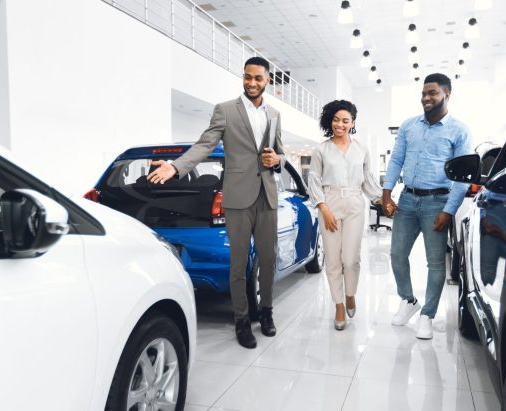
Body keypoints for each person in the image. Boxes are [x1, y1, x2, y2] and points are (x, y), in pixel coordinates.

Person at [147, 57, 285, 349]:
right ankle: (242, 321)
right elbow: (204, 144)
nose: (251, 83)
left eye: (258, 78)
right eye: (247, 77)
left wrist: (278, 160)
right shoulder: (225, 110)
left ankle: (267, 313)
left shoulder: (274, 114)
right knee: (238, 265)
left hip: (267, 196)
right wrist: (175, 167)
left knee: (269, 259)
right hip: (237, 197)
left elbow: (279, 153)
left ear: (268, 80)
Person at [382, 73, 472, 340]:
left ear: (447, 94)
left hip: (437, 202)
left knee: (435, 263)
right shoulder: (409, 126)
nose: (426, 98)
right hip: (408, 199)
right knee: (397, 254)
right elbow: (396, 159)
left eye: (432, 93)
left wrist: (449, 210)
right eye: (423, 93)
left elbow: (463, 175)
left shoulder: (459, 130)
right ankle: (409, 301)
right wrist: (387, 194)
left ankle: (427, 316)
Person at [307, 100, 382, 331]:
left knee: (351, 259)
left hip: (355, 203)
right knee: (332, 260)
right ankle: (339, 305)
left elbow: (368, 181)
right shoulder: (321, 149)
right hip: (329, 203)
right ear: (330, 121)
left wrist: (382, 200)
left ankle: (351, 294)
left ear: (352, 123)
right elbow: (314, 180)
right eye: (336, 119)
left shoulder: (361, 149)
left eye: (345, 120)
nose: (340, 124)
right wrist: (324, 208)